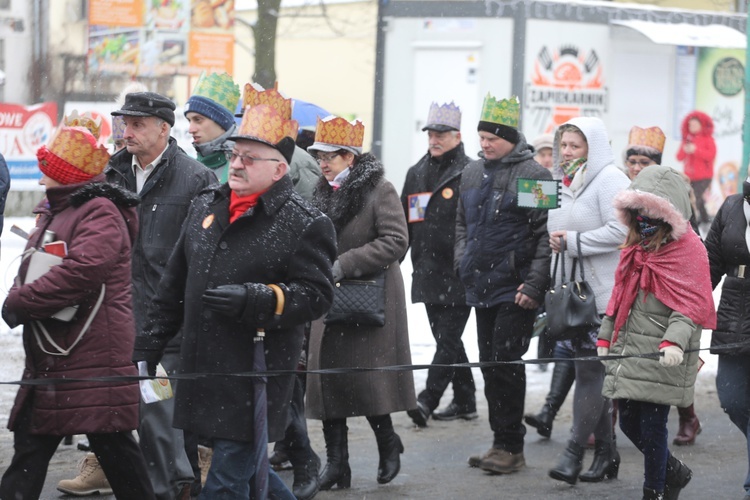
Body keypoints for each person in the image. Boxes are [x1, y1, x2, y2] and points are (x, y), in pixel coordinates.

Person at [132, 101, 337, 499]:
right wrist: (150, 341)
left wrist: (258, 299)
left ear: (279, 170)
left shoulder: (305, 222)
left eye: (250, 157)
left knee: (225, 481)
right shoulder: (206, 206)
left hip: (254, 375)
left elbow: (317, 295)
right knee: (246, 469)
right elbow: (173, 286)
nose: (237, 164)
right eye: (234, 154)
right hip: (199, 367)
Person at [0, 123, 155, 500]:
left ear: (64, 171)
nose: (40, 170)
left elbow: (81, 271)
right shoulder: (61, 208)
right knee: (32, 451)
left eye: (47, 163)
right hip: (60, 356)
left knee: (116, 452)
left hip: (90, 355)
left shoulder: (98, 210)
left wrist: (23, 300)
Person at [102, 91, 217, 499]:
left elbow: (203, 255)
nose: (126, 131)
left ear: (164, 129)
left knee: (160, 412)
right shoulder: (110, 174)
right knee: (113, 419)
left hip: (168, 323)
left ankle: (175, 489)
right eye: (125, 123)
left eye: (136, 124)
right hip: (116, 317)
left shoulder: (195, 178)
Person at [305, 115, 416, 489]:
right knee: (327, 381)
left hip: (371, 296)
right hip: (328, 295)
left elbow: (396, 240)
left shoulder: (378, 190)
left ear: (349, 157)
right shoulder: (320, 192)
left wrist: (345, 264)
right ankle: (337, 464)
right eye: (319, 155)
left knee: (367, 381)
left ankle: (388, 445)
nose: (322, 162)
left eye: (330, 155)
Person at [598, 164, 715, 500]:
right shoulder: (635, 248)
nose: (644, 221)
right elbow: (618, 298)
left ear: (670, 216)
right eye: (639, 213)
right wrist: (606, 335)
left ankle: (655, 490)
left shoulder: (689, 250)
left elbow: (689, 306)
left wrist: (674, 342)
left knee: (652, 429)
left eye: (652, 214)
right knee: (628, 424)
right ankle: (673, 471)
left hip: (664, 356)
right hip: (633, 351)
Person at [236, 82, 323, 500]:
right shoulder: (243, 161)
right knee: (273, 389)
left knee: (282, 383)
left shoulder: (293, 165)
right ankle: (289, 454)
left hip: (281, 289)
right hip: (256, 290)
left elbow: (298, 222)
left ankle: (304, 457)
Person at [456, 94, 551, 474]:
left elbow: (547, 234)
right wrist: (462, 260)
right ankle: (500, 441)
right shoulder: (471, 172)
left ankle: (512, 447)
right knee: (489, 366)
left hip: (515, 289)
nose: (485, 143)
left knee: (506, 365)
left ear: (511, 137)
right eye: (481, 137)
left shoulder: (535, 175)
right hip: (480, 285)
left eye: (492, 137)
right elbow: (462, 223)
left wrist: (533, 285)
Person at [546, 117, 629, 485]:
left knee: (590, 371)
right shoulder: (563, 184)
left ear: (593, 149)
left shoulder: (610, 179)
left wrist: (574, 242)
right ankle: (607, 454)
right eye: (563, 145)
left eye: (575, 146)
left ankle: (573, 453)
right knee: (588, 370)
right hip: (574, 295)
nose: (566, 153)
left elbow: (623, 230)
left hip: (603, 294)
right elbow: (555, 232)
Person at [623, 125, 703, 446]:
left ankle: (687, 415)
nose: (637, 167)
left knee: (671, 362)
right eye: (633, 161)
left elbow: (687, 240)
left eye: (645, 162)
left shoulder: (673, 192)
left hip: (667, 288)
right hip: (633, 289)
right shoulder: (624, 195)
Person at [401, 101, 476, 427]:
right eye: (431, 133)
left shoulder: (471, 172)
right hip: (427, 270)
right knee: (448, 339)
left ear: (457, 136)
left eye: (441, 133)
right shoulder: (416, 173)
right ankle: (466, 401)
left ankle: (426, 400)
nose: (435, 139)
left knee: (447, 339)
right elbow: (403, 223)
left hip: (459, 271)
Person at [706, 173, 750, 500]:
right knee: (731, 398)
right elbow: (709, 265)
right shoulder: (732, 206)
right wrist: (686, 313)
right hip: (734, 313)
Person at [185, 72, 240, 183]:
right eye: (189, 120)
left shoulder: (243, 166)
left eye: (198, 120)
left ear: (221, 122)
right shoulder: (187, 167)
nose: (191, 129)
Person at [676, 111, 716, 227]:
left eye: (694, 124)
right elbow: (679, 157)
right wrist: (685, 149)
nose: (691, 127)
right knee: (698, 198)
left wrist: (696, 150)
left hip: (704, 176)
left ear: (701, 125)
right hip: (689, 176)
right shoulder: (687, 139)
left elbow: (711, 155)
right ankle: (705, 220)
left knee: (696, 198)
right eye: (690, 125)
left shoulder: (708, 139)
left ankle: (693, 221)